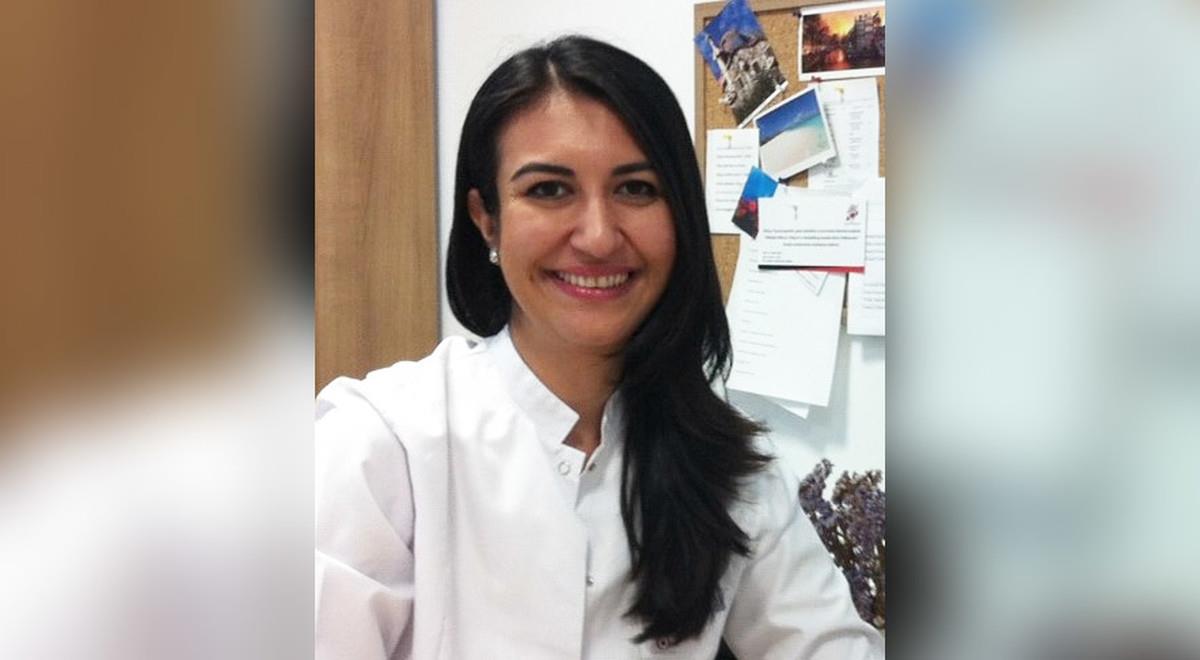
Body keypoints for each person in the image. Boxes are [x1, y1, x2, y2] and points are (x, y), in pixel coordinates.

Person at [315, 35, 884, 659]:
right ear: (487, 219)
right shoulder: (382, 445)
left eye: (635, 189)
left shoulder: (728, 467)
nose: (598, 237)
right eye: (548, 190)